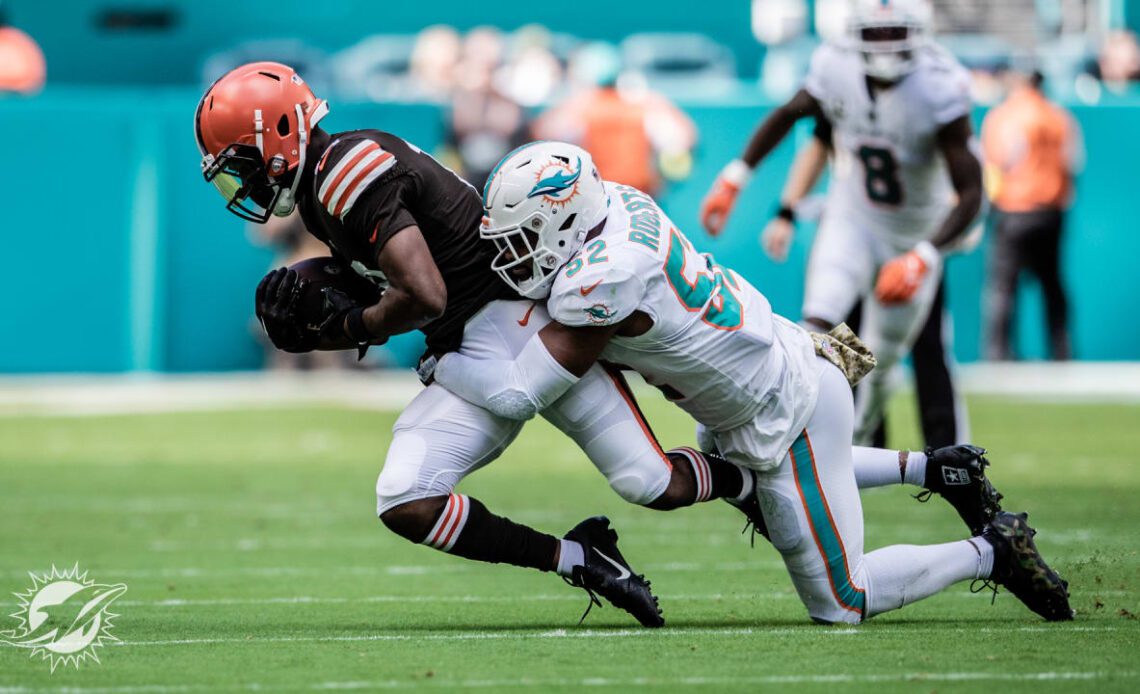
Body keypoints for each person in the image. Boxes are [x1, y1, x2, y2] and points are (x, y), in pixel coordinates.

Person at [194, 61, 773, 628]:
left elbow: (425, 294)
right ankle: (583, 560)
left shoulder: (346, 174)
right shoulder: (330, 180)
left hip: (521, 327)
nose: (242, 183)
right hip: (466, 346)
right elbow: (405, 278)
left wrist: (348, 329)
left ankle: (750, 484)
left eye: (241, 165)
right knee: (405, 499)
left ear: (282, 134)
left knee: (653, 484)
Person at [433, 140, 1072, 624]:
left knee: (843, 600)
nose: (511, 254)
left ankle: (991, 549)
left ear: (566, 222)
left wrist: (442, 359)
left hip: (783, 406)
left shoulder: (597, 280)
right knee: (752, 480)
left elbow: (522, 391)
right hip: (761, 375)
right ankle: (936, 470)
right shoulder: (617, 204)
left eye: (524, 238)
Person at [700, 0, 984, 446]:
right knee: (818, 327)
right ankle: (805, 433)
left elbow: (972, 190)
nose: (887, 47)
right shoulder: (836, 68)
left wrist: (926, 255)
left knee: (882, 357)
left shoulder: (938, 84)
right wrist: (736, 178)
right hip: (852, 218)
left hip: (912, 233)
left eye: (897, 35)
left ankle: (860, 437)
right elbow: (791, 117)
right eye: (877, 34)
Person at [761, 120, 970, 449]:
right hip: (857, 238)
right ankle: (860, 445)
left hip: (910, 241)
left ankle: (947, 452)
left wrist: (940, 239)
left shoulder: (926, 98)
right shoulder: (846, 91)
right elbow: (818, 141)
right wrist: (786, 211)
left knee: (926, 345)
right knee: (848, 346)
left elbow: (960, 172)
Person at [981, 70, 1082, 361]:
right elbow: (1072, 164)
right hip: (1051, 211)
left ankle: (999, 356)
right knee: (1052, 285)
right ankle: (1061, 353)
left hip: (1014, 209)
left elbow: (996, 165)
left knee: (1002, 286)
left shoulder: (1004, 117)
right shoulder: (1059, 117)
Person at [532, 43, 696, 198]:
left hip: (608, 199)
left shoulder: (579, 109)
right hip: (636, 199)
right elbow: (684, 139)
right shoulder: (645, 106)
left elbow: (543, 134)